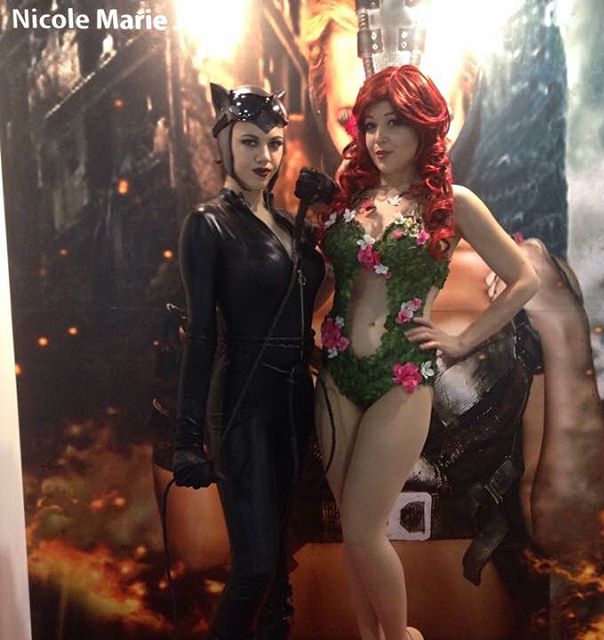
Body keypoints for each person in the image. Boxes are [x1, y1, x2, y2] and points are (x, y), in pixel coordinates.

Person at [313, 65, 539, 640]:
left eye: (394, 123)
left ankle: (401, 637)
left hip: (403, 378)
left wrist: (462, 340)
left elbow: (524, 279)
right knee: (351, 532)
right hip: (337, 373)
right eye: (369, 124)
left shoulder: (451, 202)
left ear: (423, 127)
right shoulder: (349, 197)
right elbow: (324, 281)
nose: (379, 137)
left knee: (365, 529)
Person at [171, 83, 329, 640]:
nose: (265, 156)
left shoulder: (288, 225)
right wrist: (186, 438)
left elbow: (309, 299)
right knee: (255, 568)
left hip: (295, 401)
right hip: (242, 400)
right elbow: (200, 335)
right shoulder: (208, 224)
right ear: (225, 145)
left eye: (275, 142)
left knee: (280, 569)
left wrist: (320, 220)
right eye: (249, 141)